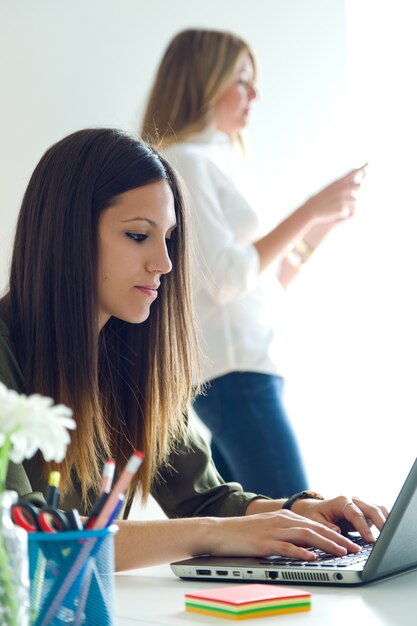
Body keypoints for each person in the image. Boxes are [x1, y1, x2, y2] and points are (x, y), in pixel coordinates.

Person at [1, 128, 385, 573]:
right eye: (139, 236)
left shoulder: (132, 355)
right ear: (67, 235)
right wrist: (214, 533)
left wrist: (296, 511)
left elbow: (203, 496)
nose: (164, 263)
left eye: (169, 238)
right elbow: (26, 538)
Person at [141, 28, 367, 498]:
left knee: (260, 527)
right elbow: (225, 279)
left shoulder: (215, 162)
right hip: (234, 377)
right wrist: (308, 209)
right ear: (205, 81)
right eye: (242, 78)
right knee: (298, 516)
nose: (255, 93)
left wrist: (313, 234)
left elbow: (257, 287)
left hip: (245, 372)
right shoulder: (185, 161)